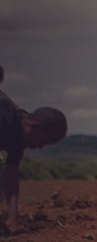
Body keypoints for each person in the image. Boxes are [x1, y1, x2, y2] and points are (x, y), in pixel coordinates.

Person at [0, 94, 67, 232]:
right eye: (43, 141)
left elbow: (11, 174)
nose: (40, 147)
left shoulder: (19, 137)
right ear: (34, 127)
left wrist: (13, 218)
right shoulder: (4, 117)